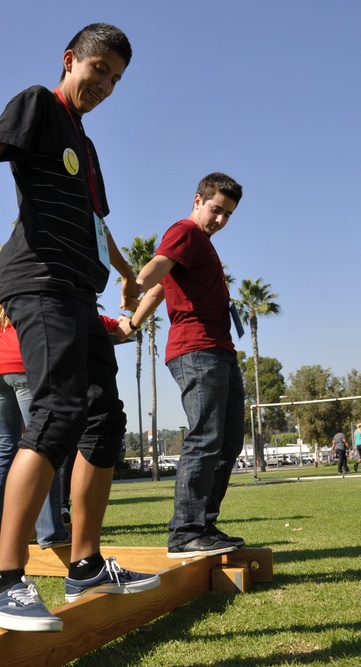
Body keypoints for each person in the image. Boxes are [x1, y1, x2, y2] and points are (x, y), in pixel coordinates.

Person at [0, 23, 160, 632]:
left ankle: (85, 564)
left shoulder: (87, 146)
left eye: (115, 79)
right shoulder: (38, 106)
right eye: (98, 69)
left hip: (80, 289)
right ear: (71, 58)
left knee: (104, 417)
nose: (104, 84)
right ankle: (5, 580)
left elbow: (98, 220)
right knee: (56, 411)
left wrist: (129, 275)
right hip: (37, 280)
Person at [119, 172, 246, 558]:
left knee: (229, 442)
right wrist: (134, 280)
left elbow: (162, 288)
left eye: (227, 215)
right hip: (197, 351)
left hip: (220, 349)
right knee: (206, 438)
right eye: (216, 209)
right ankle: (186, 532)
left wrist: (134, 322)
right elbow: (155, 271)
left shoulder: (202, 244)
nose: (220, 219)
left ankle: (203, 525)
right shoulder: (186, 232)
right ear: (197, 200)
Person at [0, 271, 71, 549]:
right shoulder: (27, 278)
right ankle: (49, 531)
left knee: (4, 446)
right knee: (42, 445)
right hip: (23, 367)